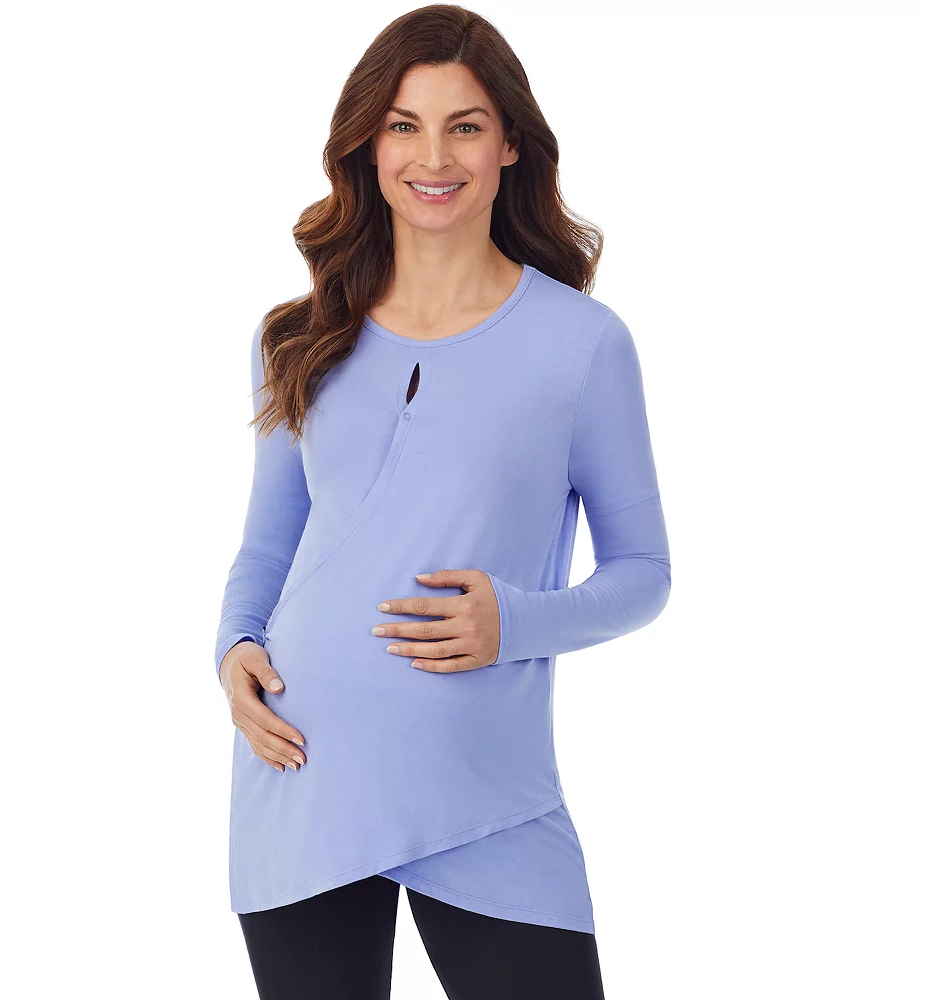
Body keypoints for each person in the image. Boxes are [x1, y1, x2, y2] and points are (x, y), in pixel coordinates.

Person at [214, 6, 671, 998]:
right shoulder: (297, 335)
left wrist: (518, 622)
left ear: (509, 144)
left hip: (489, 798)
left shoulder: (582, 344)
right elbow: (269, 545)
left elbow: (645, 572)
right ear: (368, 145)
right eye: (403, 125)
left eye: (464, 125)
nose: (433, 157)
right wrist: (234, 648)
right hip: (302, 776)